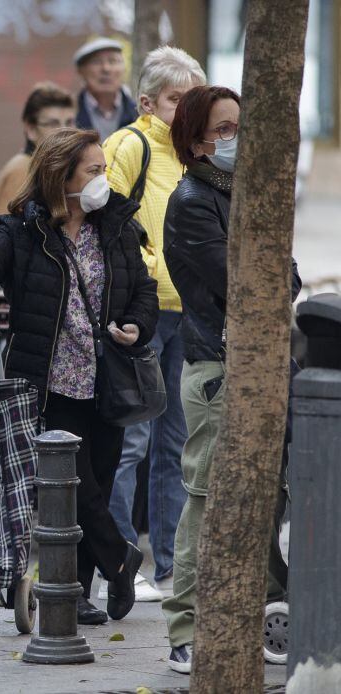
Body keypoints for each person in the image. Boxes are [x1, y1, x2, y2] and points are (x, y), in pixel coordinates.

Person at [0, 128, 159, 625]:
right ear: (63, 176)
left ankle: (76, 592)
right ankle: (120, 559)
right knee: (68, 484)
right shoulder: (24, 229)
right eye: (94, 170)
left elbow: (142, 291)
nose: (103, 178)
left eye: (103, 169)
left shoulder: (117, 225)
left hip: (107, 376)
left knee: (95, 485)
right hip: (49, 380)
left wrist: (136, 326)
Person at [161, 85, 301, 674]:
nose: (235, 138)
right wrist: (273, 280)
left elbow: (286, 278)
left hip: (264, 364)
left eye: (240, 125)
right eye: (222, 129)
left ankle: (270, 610)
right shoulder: (194, 199)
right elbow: (242, 281)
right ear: (196, 143)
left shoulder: (249, 195)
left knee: (267, 496)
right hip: (218, 367)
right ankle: (186, 627)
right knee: (209, 496)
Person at [99, 46, 207, 604]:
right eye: (175, 100)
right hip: (139, 315)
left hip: (187, 313)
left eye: (193, 100)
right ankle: (119, 560)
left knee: (176, 444)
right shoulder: (129, 145)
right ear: (147, 102)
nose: (186, 109)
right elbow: (104, 222)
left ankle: (169, 563)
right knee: (131, 443)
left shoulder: (199, 157)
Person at [0, 82, 75, 225]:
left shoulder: (41, 167)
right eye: (53, 123)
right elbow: (5, 238)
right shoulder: (23, 170)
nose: (64, 131)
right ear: (30, 129)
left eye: (69, 122)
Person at [73, 38, 137, 142]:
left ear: (124, 68)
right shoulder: (69, 115)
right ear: (81, 71)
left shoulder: (139, 113)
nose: (106, 69)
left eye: (113, 61)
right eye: (96, 62)